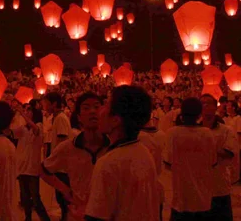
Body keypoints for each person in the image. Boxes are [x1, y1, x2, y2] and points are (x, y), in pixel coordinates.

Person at [85, 86, 160, 220]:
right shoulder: (143, 152)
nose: (99, 110)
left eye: (106, 104)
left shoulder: (108, 163)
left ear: (115, 120)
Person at [42, 92, 109, 220]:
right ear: (78, 116)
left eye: (97, 107)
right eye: (86, 108)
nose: (92, 111)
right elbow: (43, 170)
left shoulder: (114, 147)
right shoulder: (68, 147)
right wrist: (65, 190)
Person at [164, 97, 216, 220]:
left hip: (181, 196)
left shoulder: (172, 133)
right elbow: (213, 162)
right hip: (202, 196)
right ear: (199, 114)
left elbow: (167, 163)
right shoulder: (207, 134)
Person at [201, 94, 238, 221]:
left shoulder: (226, 130)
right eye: (202, 103)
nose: (205, 106)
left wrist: (208, 147)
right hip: (199, 186)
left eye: (208, 103)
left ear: (215, 106)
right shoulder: (193, 130)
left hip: (219, 185)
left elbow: (229, 152)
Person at [14, 104, 50, 221]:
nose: (27, 112)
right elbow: (10, 132)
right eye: (26, 110)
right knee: (25, 198)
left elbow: (35, 128)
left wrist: (22, 113)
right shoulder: (23, 129)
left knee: (35, 198)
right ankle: (27, 218)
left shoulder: (38, 126)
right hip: (22, 167)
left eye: (29, 110)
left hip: (32, 168)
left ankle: (45, 219)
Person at [42, 91, 71, 221]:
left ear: (54, 104)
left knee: (64, 199)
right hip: (59, 166)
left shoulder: (61, 118)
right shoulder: (57, 117)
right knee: (60, 199)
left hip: (62, 167)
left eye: (47, 103)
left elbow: (63, 141)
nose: (44, 106)